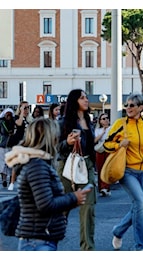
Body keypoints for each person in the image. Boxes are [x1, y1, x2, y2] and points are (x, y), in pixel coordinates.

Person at [4, 117, 91, 251]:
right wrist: (74, 198)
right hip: (38, 239)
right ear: (48, 137)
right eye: (56, 134)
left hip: (38, 237)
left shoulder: (36, 163)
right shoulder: (37, 166)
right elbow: (45, 204)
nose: (58, 138)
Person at [104, 93, 143, 251]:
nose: (128, 108)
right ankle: (142, 246)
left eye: (132, 105)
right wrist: (119, 145)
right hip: (127, 171)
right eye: (126, 105)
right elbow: (107, 144)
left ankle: (118, 231)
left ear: (141, 107)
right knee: (141, 204)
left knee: (140, 206)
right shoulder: (120, 124)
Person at [56, 89, 97, 250]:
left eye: (86, 97)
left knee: (88, 211)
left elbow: (91, 147)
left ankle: (87, 250)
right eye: (82, 98)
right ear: (74, 102)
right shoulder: (62, 123)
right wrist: (67, 142)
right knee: (61, 210)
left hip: (86, 167)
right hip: (67, 168)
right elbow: (57, 149)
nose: (86, 100)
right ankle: (47, 245)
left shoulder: (89, 122)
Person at [94, 113, 111, 197]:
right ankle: (101, 187)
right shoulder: (97, 130)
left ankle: (105, 187)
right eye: (103, 119)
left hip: (109, 149)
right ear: (100, 121)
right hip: (100, 149)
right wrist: (102, 132)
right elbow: (95, 140)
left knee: (107, 168)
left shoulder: (112, 128)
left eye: (107, 118)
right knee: (100, 168)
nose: (106, 120)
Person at [0, 108, 16, 188]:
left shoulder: (14, 122)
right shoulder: (1, 122)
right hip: (3, 145)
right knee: (3, 163)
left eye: (10, 114)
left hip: (12, 145)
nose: (8, 116)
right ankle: (4, 179)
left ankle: (11, 179)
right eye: (7, 114)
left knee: (11, 163)